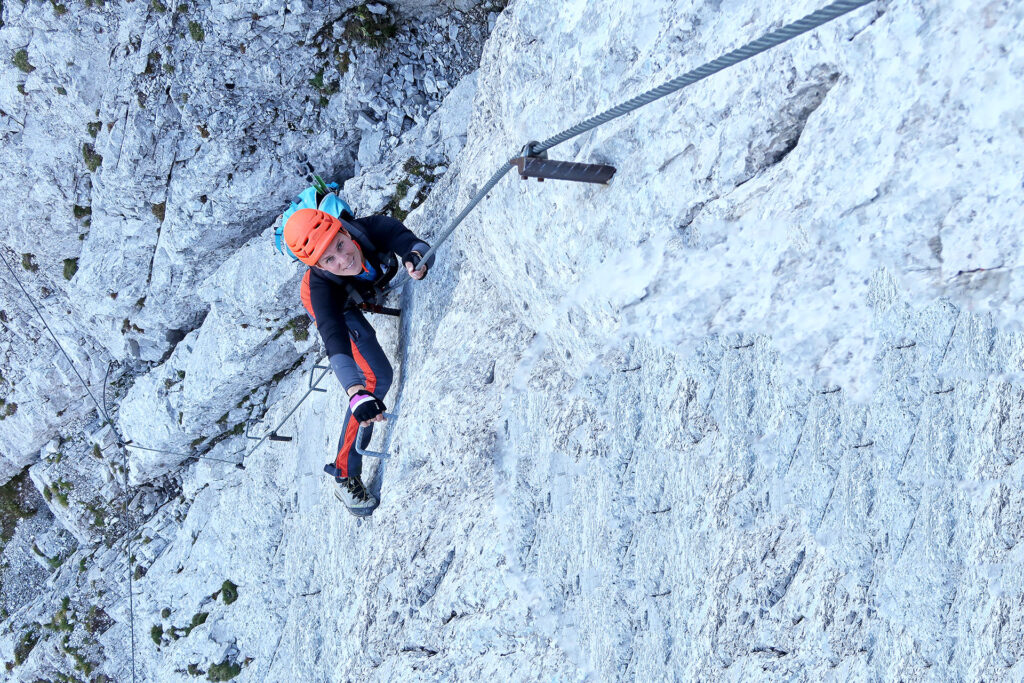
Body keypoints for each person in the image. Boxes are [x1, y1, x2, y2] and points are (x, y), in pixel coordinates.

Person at [282, 207, 432, 516]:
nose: (342, 259)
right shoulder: (321, 290)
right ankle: (344, 473)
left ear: (345, 231)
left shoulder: (370, 228)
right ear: (318, 266)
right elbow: (335, 338)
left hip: (354, 291)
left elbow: (404, 238)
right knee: (376, 376)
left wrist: (415, 256)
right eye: (329, 260)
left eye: (339, 245)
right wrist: (355, 392)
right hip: (337, 308)